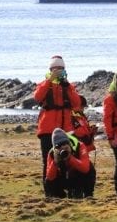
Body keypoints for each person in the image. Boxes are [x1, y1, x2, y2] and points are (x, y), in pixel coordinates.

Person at [34, 55, 83, 191]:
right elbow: (37, 97)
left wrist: (67, 86)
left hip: (66, 130)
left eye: (61, 68)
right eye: (55, 68)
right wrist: (49, 80)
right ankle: (50, 191)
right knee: (48, 160)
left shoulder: (68, 86)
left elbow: (77, 103)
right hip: (47, 130)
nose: (58, 71)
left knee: (66, 159)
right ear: (50, 70)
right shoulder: (44, 84)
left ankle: (64, 189)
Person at [44, 128, 96, 199]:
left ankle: (88, 194)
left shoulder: (79, 146)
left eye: (65, 144)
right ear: (55, 148)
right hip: (64, 178)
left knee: (90, 168)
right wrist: (55, 163)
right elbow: (50, 178)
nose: (63, 148)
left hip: (78, 176)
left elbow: (85, 168)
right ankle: (59, 197)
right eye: (59, 146)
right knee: (48, 181)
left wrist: (70, 158)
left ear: (69, 143)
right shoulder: (52, 153)